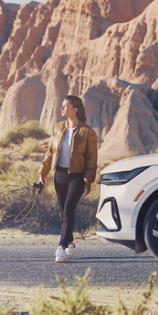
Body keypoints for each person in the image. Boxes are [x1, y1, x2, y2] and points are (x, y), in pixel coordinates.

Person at [38, 95, 98, 263]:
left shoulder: (88, 132)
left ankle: (61, 247)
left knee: (68, 210)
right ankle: (71, 243)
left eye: (65, 106)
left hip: (77, 177)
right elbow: (50, 152)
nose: (61, 109)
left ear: (75, 110)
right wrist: (42, 172)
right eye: (62, 106)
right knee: (62, 211)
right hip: (60, 175)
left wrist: (88, 180)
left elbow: (91, 159)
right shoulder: (58, 128)